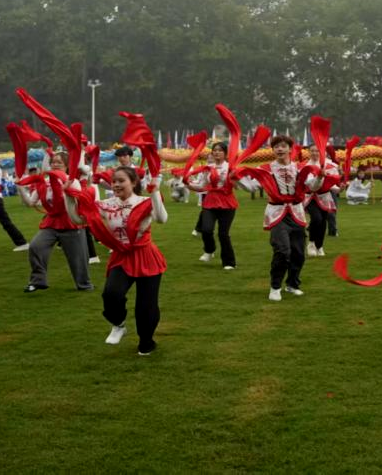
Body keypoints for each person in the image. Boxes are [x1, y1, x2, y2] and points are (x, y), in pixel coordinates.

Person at [67, 166, 167, 356]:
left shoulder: (144, 201)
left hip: (146, 256)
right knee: (111, 294)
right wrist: (68, 196)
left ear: (134, 182)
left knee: (146, 306)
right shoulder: (106, 204)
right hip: (121, 256)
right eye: (114, 181)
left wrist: (155, 191)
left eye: (121, 181)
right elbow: (78, 220)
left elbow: (161, 219)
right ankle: (118, 324)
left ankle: (147, 342)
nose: (116, 184)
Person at [250, 135, 324, 301]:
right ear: (273, 150)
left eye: (283, 146)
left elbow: (312, 186)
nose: (279, 149)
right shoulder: (266, 168)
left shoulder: (300, 168)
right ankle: (275, 287)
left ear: (291, 149)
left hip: (297, 213)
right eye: (276, 146)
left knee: (298, 253)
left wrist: (320, 176)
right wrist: (235, 180)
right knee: (283, 250)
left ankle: (292, 284)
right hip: (277, 214)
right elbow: (252, 186)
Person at [17, 151, 93, 293]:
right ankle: (38, 281)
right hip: (51, 222)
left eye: (59, 162)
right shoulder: (43, 183)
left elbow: (78, 201)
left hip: (71, 222)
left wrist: (66, 188)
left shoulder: (72, 181)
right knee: (35, 246)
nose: (55, 164)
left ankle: (84, 285)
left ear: (66, 166)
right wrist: (20, 187)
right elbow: (31, 203)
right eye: (53, 162)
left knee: (78, 258)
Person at [185, 141, 240, 270]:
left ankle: (229, 262)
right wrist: (188, 184)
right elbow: (202, 186)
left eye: (220, 150)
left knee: (223, 234)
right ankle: (209, 250)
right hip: (210, 201)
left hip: (227, 202)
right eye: (214, 150)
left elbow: (238, 185)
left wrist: (235, 180)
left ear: (226, 154)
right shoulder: (207, 168)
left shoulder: (230, 168)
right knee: (206, 229)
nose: (216, 152)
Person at [304, 146, 341, 258]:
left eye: (317, 151)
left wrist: (339, 188)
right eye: (312, 151)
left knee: (323, 222)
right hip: (310, 197)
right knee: (316, 218)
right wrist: (319, 176)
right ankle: (311, 243)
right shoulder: (305, 167)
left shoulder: (330, 166)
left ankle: (319, 246)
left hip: (324, 196)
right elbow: (311, 185)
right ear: (309, 153)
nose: (315, 153)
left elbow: (333, 183)